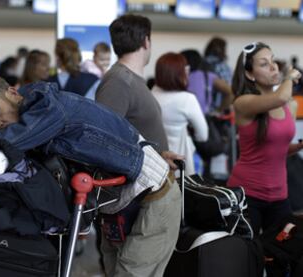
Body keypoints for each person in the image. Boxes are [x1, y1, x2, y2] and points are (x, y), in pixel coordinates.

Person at [95, 14, 182, 277]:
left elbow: (126, 137)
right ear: (146, 41)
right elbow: (102, 141)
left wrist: (157, 154)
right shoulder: (119, 82)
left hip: (144, 195)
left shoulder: (128, 81)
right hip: (141, 198)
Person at [227, 42, 303, 235]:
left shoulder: (290, 106)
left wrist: (300, 146)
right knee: (246, 257)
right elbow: (280, 97)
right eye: (263, 64)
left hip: (279, 195)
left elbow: (279, 150)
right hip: (247, 194)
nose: (273, 66)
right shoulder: (243, 102)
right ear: (250, 74)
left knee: (285, 254)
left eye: (273, 60)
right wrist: (289, 77)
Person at [152, 52, 208, 175]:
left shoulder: (152, 94)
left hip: (155, 158)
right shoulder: (187, 99)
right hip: (179, 159)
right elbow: (203, 135)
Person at [181, 49, 233, 114]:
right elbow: (230, 92)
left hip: (187, 115)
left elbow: (230, 92)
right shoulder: (208, 76)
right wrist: (219, 111)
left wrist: (219, 111)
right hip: (205, 115)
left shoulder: (182, 76)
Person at [204, 37, 232, 111]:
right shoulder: (222, 66)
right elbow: (230, 89)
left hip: (201, 108)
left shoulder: (200, 63)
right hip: (218, 108)